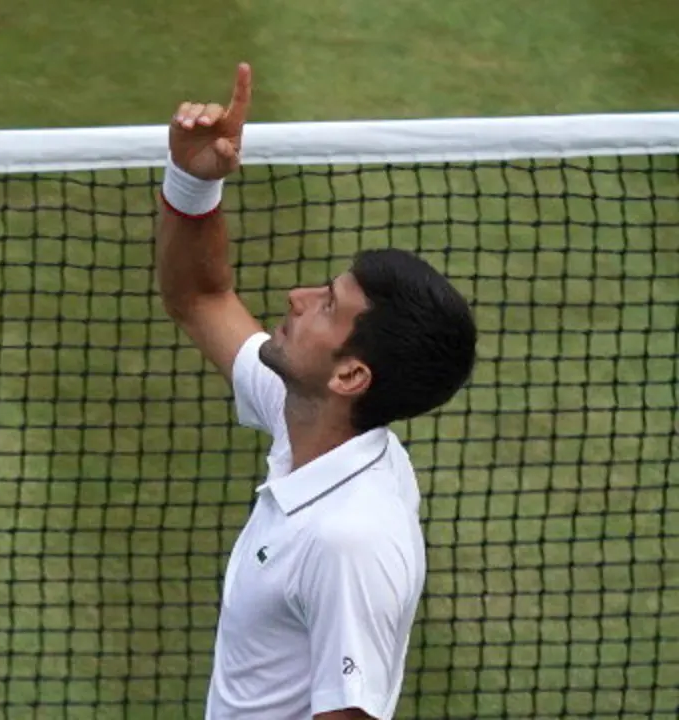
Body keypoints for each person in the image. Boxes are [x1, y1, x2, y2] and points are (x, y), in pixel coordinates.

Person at [154, 62, 478, 720]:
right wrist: (194, 181)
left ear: (350, 375)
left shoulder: (346, 541)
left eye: (327, 305)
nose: (296, 298)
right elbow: (200, 297)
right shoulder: (309, 422)